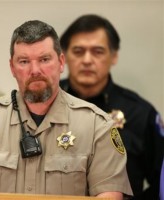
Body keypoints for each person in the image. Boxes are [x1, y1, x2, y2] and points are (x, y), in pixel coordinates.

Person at [0, 20, 133, 199]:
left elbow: (109, 196)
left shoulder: (96, 125)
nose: (35, 70)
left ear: (61, 62)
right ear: (12, 68)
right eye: (24, 62)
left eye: (44, 59)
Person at [59, 14, 164, 199]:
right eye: (78, 51)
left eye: (97, 51)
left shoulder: (139, 113)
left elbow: (161, 182)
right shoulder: (45, 103)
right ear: (64, 56)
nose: (87, 60)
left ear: (114, 56)